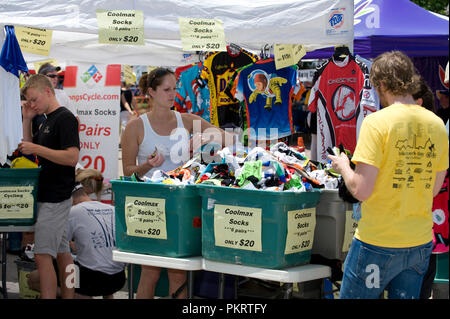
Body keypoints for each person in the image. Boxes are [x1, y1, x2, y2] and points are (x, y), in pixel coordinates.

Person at [328, 51, 448, 299]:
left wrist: (343, 166)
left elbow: (361, 190)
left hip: (378, 240)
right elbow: (434, 187)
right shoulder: (436, 124)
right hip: (419, 241)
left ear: (381, 84)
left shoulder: (377, 123)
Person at [121, 67, 235, 298]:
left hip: (181, 205)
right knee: (149, 273)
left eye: (175, 88)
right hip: (149, 206)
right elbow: (128, 173)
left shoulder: (185, 120)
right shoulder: (135, 126)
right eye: (166, 89)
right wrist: (148, 165)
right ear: (151, 92)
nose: (173, 94)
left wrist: (207, 136)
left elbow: (232, 138)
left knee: (178, 273)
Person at [19, 74, 80, 299]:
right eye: (28, 101)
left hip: (55, 197)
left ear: (48, 91)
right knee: (63, 252)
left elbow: (72, 157)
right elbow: (30, 148)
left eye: (34, 99)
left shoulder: (64, 118)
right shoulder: (46, 119)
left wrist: (37, 150)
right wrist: (27, 119)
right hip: (51, 195)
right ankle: (69, 295)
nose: (32, 104)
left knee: (43, 255)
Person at [29, 181, 126, 299]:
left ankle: (81, 297)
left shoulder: (73, 212)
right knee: (99, 258)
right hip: (118, 279)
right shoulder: (111, 208)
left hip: (92, 280)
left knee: (34, 279)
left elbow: (58, 249)